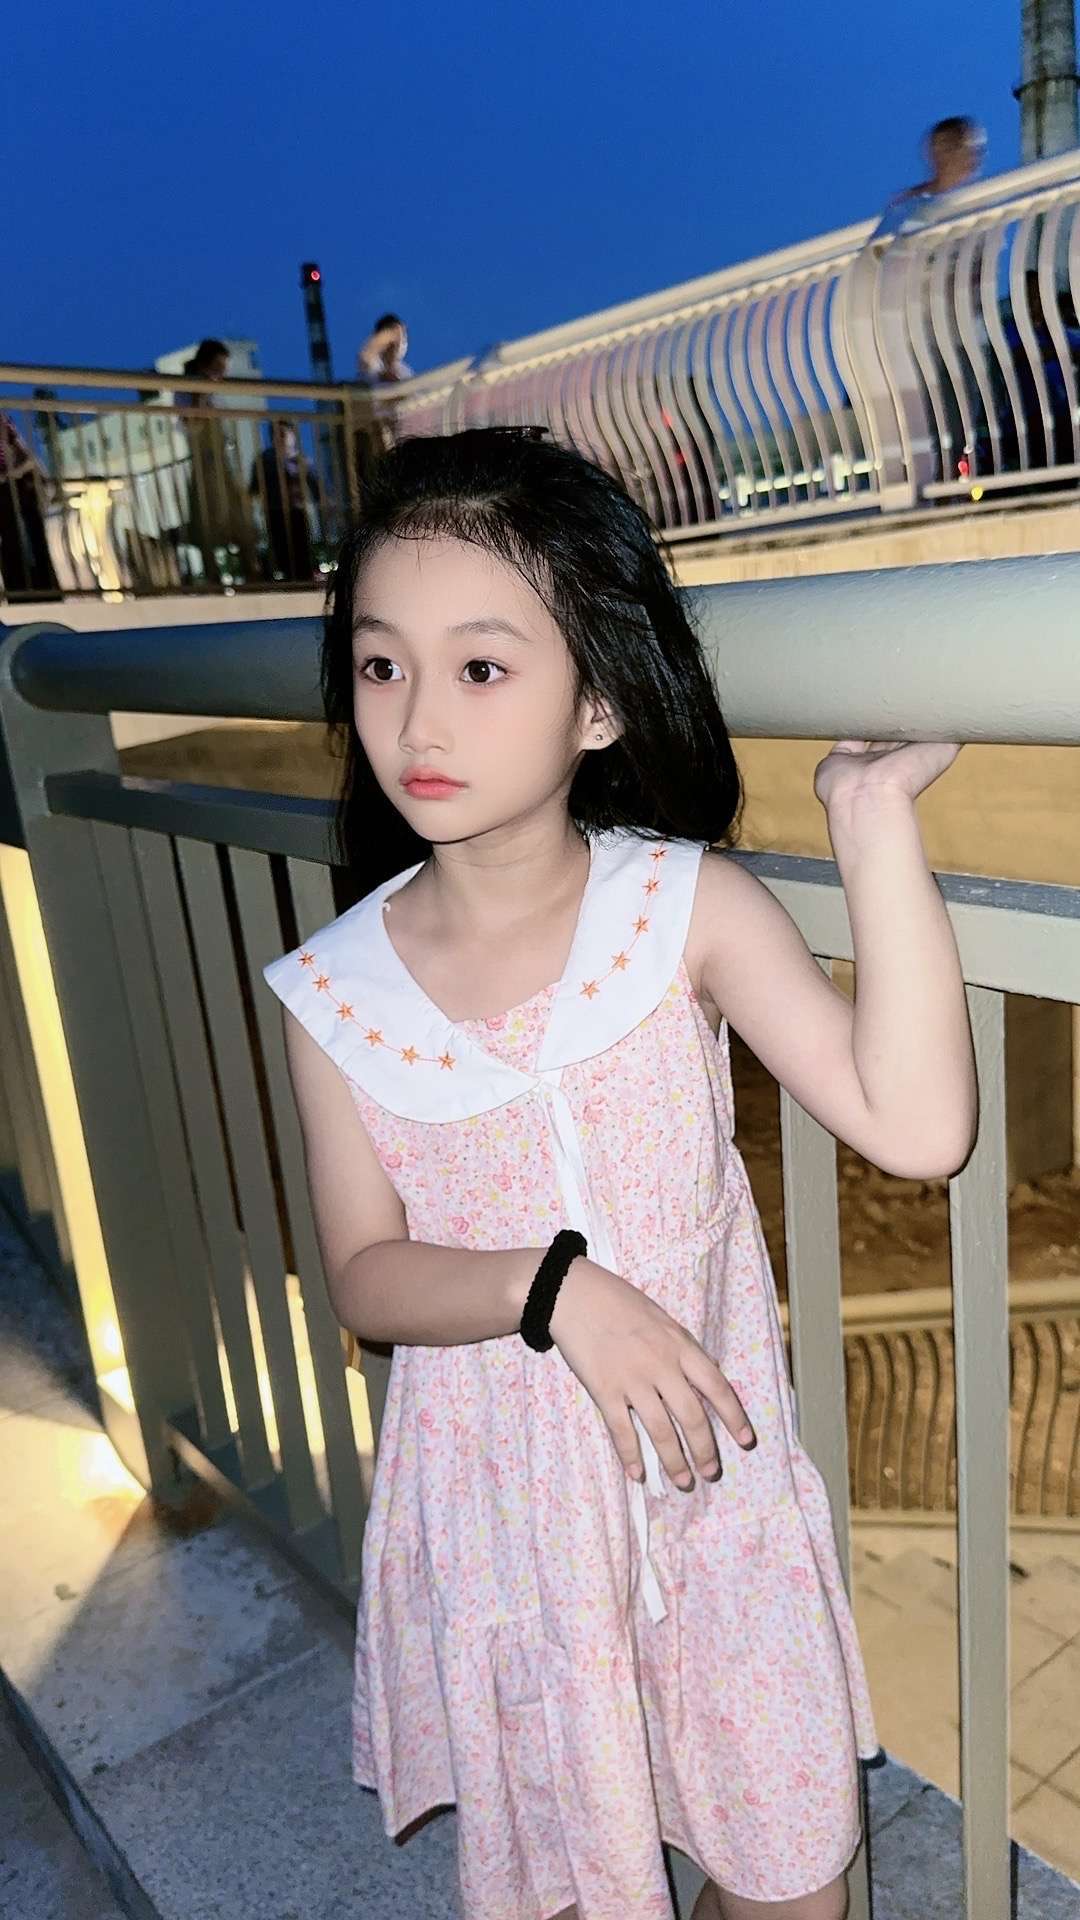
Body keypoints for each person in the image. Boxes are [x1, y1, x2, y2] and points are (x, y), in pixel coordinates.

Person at [264, 428, 976, 1920]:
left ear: (597, 700)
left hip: (713, 1502)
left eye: (481, 666)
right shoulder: (337, 992)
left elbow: (916, 1128)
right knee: (580, 1882)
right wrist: (557, 1293)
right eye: (382, 665)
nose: (417, 718)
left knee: (793, 1877)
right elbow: (366, 1276)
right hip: (512, 1536)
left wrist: (869, 821)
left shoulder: (681, 905)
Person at [176, 337, 258, 585]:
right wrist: (201, 395)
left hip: (221, 461)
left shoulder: (210, 389)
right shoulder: (186, 389)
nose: (222, 374)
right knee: (207, 520)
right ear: (206, 365)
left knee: (238, 517)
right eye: (218, 367)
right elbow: (190, 425)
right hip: (205, 463)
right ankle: (214, 577)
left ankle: (252, 571)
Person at [870, 115, 986, 248]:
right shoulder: (908, 205)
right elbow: (880, 249)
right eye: (941, 148)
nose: (945, 157)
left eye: (954, 146)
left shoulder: (985, 199)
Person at [250, 420, 318, 580]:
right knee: (281, 549)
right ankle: (289, 579)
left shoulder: (300, 460)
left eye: (284, 433)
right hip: (275, 511)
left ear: (292, 436)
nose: (281, 437)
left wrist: (321, 502)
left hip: (297, 511)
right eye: (277, 434)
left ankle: (304, 580)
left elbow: (314, 485)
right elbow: (254, 488)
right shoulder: (265, 460)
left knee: (301, 548)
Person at [0, 412, 59, 598]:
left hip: (18, 490)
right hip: (12, 492)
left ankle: (38, 591)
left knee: (26, 543)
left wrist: (16, 472)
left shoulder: (7, 429)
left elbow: (26, 457)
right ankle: (30, 592)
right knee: (16, 545)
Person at [355, 313, 411, 388]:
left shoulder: (404, 370)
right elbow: (366, 356)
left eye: (404, 335)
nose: (401, 340)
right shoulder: (372, 364)